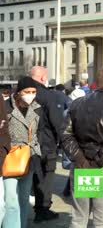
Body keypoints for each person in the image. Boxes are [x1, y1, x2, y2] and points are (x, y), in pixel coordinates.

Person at [62, 67, 103, 228]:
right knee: (102, 221)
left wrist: (80, 159)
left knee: (79, 219)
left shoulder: (77, 103)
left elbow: (65, 135)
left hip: (82, 166)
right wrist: (96, 163)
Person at [3, 77, 42, 228]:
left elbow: (41, 131)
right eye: (27, 92)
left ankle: (22, 225)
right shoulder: (7, 108)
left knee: (24, 198)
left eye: (33, 92)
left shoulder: (37, 108)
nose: (31, 95)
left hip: (30, 157)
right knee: (11, 200)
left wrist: (38, 150)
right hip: (11, 157)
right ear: (19, 92)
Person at [30, 66, 64, 222]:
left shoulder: (20, 93)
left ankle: (34, 208)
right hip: (46, 144)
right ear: (43, 78)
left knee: (33, 176)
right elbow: (57, 122)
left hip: (26, 143)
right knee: (47, 176)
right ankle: (43, 209)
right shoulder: (48, 96)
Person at [0, 94, 11, 225]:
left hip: (87, 165)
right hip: (85, 164)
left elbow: (4, 129)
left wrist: (4, 149)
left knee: (1, 207)